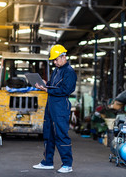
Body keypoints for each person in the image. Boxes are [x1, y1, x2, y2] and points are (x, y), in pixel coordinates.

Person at [33, 44, 77, 173]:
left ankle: (67, 164)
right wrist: (45, 84)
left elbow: (66, 90)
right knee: (49, 134)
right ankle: (47, 162)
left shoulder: (69, 72)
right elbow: (53, 85)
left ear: (63, 57)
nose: (54, 62)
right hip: (51, 104)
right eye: (53, 59)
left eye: (56, 59)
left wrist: (46, 89)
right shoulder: (57, 70)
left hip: (61, 106)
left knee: (61, 134)